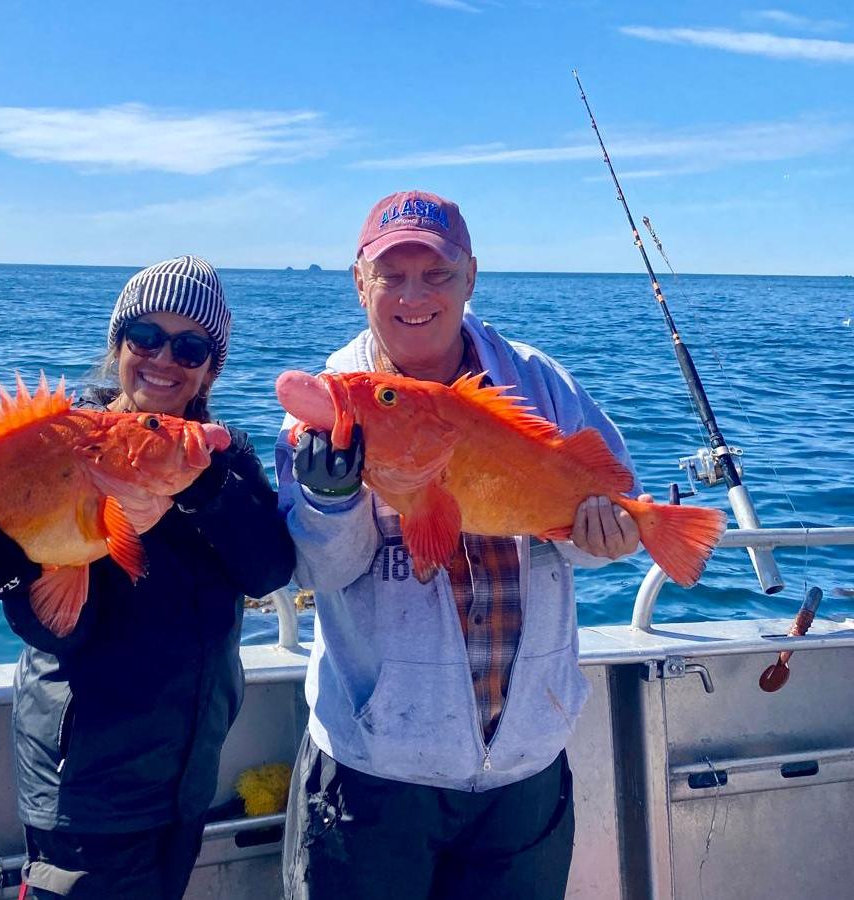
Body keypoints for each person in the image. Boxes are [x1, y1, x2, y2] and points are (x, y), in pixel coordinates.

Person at [276, 192, 651, 899]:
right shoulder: (328, 408)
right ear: (360, 281)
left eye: (437, 273)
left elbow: (606, 513)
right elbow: (322, 570)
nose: (414, 295)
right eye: (392, 275)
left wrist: (608, 536)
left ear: (471, 277)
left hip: (523, 773)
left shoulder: (541, 383)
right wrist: (332, 499)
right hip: (375, 776)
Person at [0, 255, 296, 900]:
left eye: (190, 346)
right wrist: (11, 577)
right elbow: (60, 632)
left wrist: (204, 485)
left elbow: (269, 568)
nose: (164, 358)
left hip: (186, 769)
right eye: (146, 337)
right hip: (86, 780)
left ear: (210, 367)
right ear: (118, 345)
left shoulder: (223, 454)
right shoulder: (62, 448)